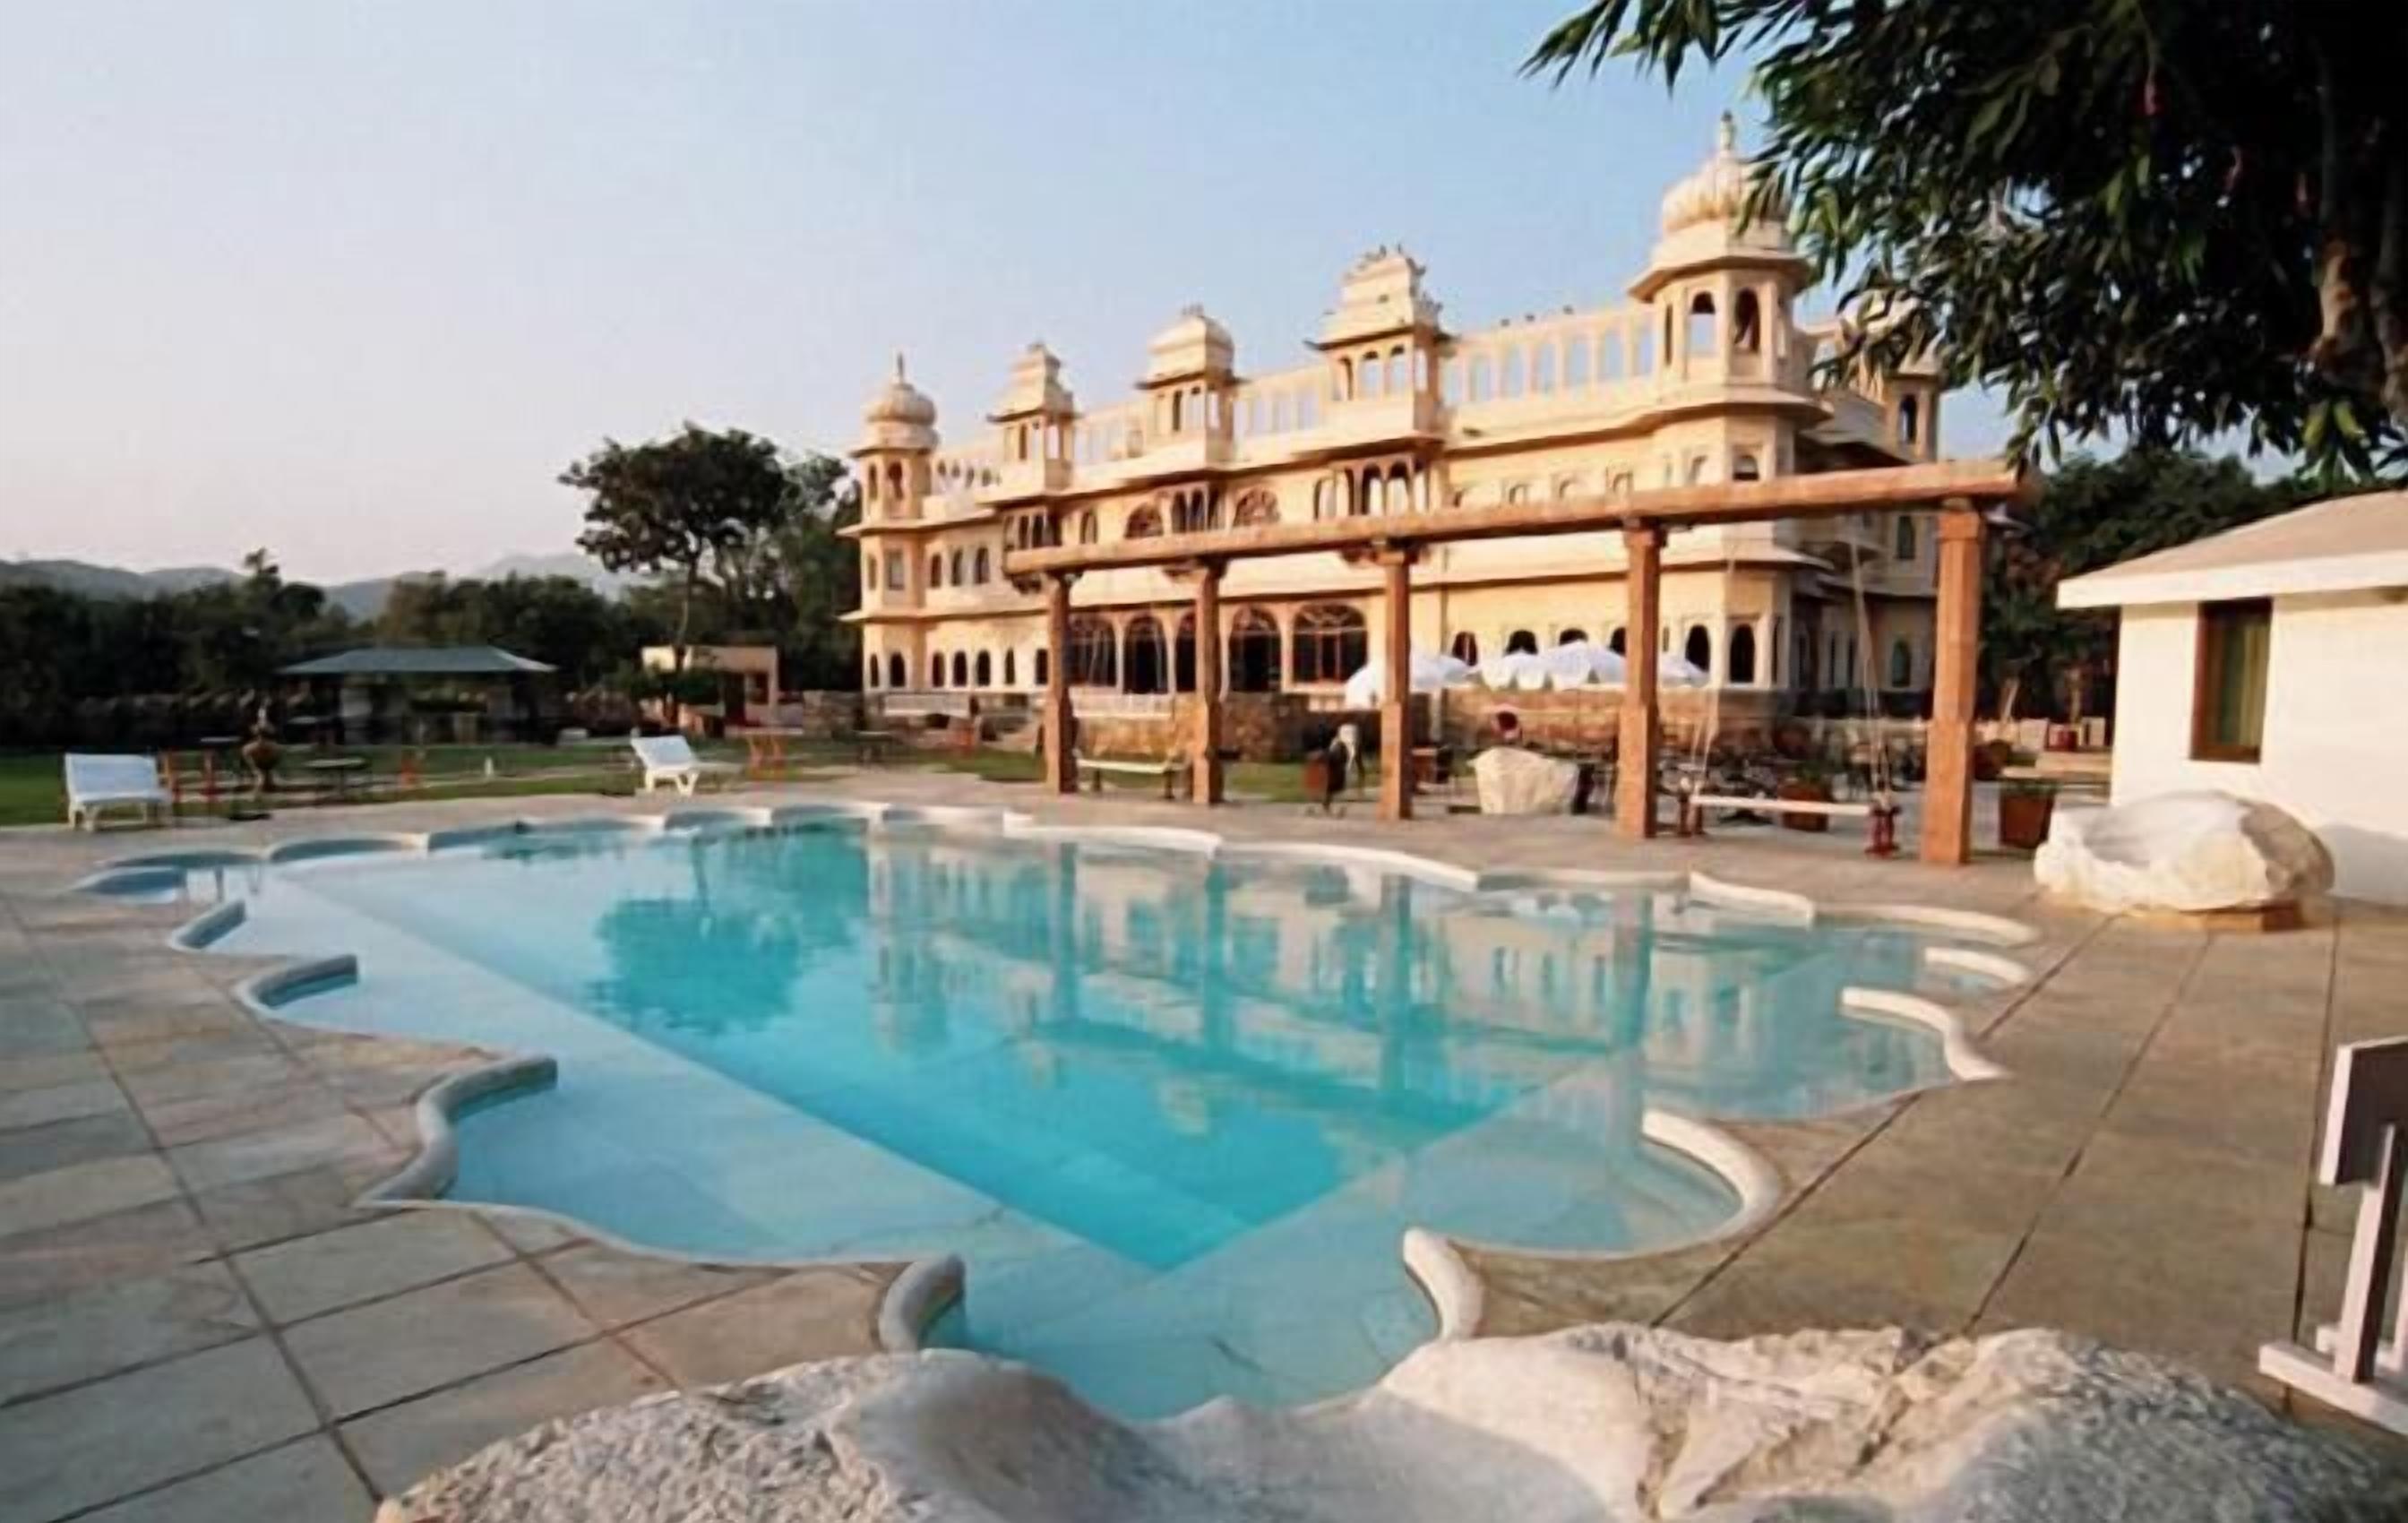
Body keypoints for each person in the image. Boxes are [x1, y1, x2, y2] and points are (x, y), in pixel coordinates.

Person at [240, 703, 282, 799]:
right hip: (257, 749)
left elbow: (272, 732)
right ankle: (257, 790)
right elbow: (253, 731)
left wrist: (264, 725)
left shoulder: (268, 724)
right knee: (260, 774)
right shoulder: (256, 723)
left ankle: (259, 789)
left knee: (263, 774)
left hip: (267, 749)